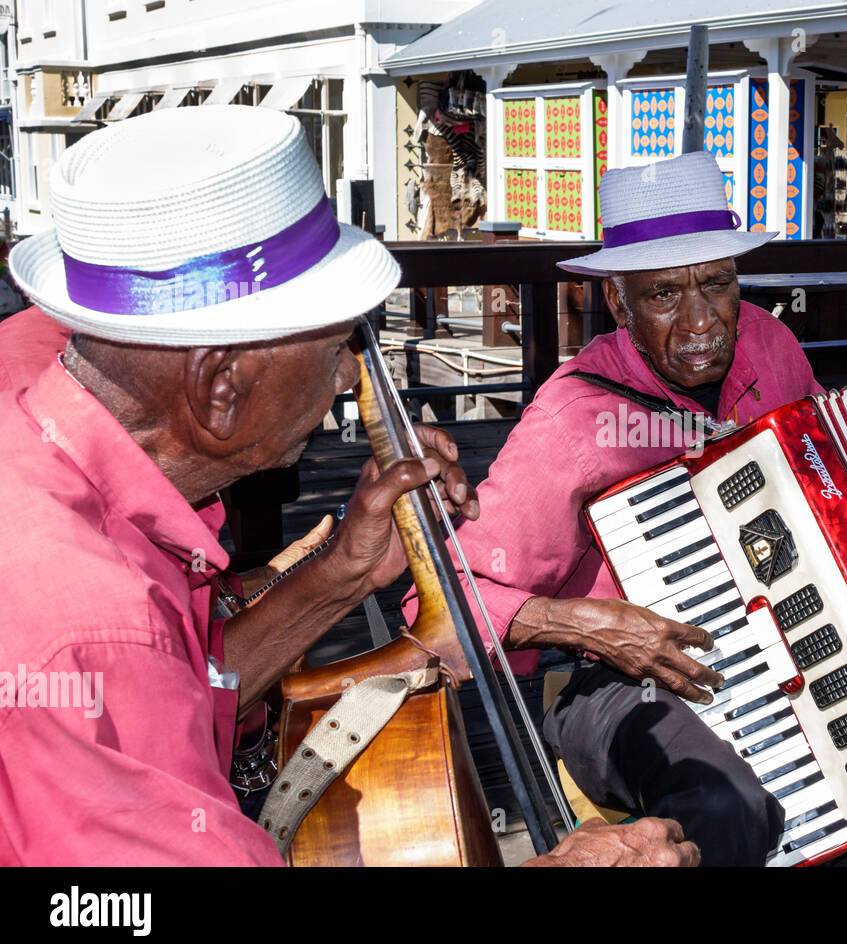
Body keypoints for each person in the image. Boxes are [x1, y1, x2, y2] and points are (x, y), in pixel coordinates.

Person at [0, 106, 697, 868]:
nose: (345, 378)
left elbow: (194, 690)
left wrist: (344, 573)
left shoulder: (48, 428)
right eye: (337, 348)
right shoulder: (94, 627)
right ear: (218, 386)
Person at [406, 151, 847, 866]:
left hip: (792, 637)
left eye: (717, 285)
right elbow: (434, 605)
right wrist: (581, 624)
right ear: (618, 303)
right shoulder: (573, 417)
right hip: (619, 684)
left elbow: (841, 488)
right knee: (729, 807)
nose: (701, 322)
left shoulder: (769, 344)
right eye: (662, 296)